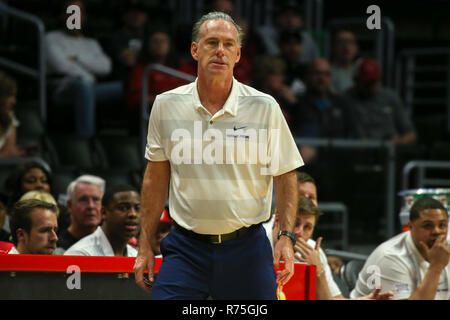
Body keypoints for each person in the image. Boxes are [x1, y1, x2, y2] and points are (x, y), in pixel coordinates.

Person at [134, 11, 303, 300]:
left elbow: (286, 175)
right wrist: (144, 245)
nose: (220, 51)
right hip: (186, 247)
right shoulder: (165, 105)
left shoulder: (264, 107)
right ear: (195, 50)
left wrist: (285, 237)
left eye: (228, 44)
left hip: (247, 248)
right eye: (212, 42)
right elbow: (155, 178)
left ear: (238, 55)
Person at [265, 171, 393, 300]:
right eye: (300, 195)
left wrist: (318, 271)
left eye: (311, 198)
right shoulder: (258, 241)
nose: (299, 232)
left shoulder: (313, 251)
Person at [45, 0, 123, 137]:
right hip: (62, 87)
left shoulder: (91, 43)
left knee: (125, 88)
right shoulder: (51, 38)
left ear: (84, 17)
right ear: (62, 16)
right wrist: (89, 73)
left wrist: (77, 58)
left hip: (91, 87)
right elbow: (61, 66)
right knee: (85, 85)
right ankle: (86, 139)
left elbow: (106, 67)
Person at [351, 197, 450, 300]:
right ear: (410, 227)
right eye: (428, 226)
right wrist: (436, 267)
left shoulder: (445, 249)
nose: (437, 231)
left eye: (442, 225)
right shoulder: (391, 257)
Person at [341, 58, 417, 144]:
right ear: (355, 81)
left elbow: (411, 134)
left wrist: (395, 142)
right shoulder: (345, 100)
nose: (371, 86)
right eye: (367, 83)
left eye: (374, 82)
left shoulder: (390, 98)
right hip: (359, 150)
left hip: (390, 150)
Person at [64, 184, 140, 256]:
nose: (133, 214)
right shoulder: (81, 254)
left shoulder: (135, 255)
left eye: (137, 208)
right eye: (123, 208)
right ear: (104, 213)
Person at [126, 26, 188, 111]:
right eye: (155, 41)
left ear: (169, 45)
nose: (159, 44)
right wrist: (166, 99)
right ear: (148, 45)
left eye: (163, 41)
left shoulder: (182, 67)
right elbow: (136, 99)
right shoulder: (141, 70)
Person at [292, 58, 351, 140]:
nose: (322, 79)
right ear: (307, 75)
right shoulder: (297, 104)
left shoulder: (341, 104)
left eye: (327, 74)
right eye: (317, 73)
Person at [255, 2, 319, 64]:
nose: (290, 20)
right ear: (277, 18)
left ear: (301, 21)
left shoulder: (307, 38)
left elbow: (317, 62)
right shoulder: (265, 34)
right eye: (286, 15)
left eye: (295, 15)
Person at [56, 174, 105, 250]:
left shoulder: (111, 245)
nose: (91, 206)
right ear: (69, 205)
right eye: (84, 200)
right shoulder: (57, 247)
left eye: (96, 200)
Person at [104, 1, 148, 83]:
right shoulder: (116, 37)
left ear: (145, 17)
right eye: (132, 13)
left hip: (147, 81)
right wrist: (150, 55)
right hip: (121, 82)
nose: (137, 16)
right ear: (124, 16)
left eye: (140, 13)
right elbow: (129, 61)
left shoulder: (149, 36)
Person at [0, 71, 25, 158]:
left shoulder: (9, 118)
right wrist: (4, 155)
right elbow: (7, 155)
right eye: (10, 96)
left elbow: (9, 152)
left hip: (4, 170)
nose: (14, 101)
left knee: (36, 170)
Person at [330, 29, 359, 94]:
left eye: (350, 42)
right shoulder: (326, 73)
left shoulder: (360, 71)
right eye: (341, 42)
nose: (346, 46)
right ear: (333, 47)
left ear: (356, 47)